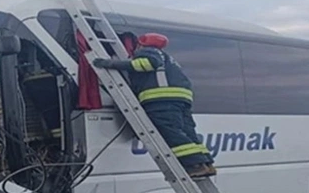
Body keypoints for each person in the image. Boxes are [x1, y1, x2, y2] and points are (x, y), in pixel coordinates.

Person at [92, 32, 216, 177]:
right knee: (188, 132)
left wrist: (110, 64)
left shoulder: (148, 52)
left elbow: (147, 64)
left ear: (141, 44)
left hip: (162, 100)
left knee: (170, 131)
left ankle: (194, 164)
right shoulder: (168, 58)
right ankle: (207, 163)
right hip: (181, 100)